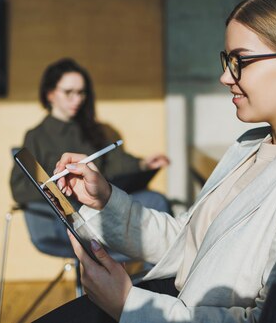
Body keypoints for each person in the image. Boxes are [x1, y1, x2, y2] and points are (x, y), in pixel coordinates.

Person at [39, 0, 276, 323]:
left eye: (241, 61)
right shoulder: (253, 146)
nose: (225, 76)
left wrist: (129, 305)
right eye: (227, 60)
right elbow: (187, 241)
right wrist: (105, 200)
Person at [10, 58, 171, 255]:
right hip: (67, 218)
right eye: (69, 92)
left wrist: (143, 164)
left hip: (101, 205)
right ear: (50, 94)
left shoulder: (95, 130)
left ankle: (159, 277)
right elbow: (19, 188)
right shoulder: (37, 136)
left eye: (81, 93)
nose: (77, 99)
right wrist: (60, 189)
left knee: (156, 200)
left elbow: (115, 164)